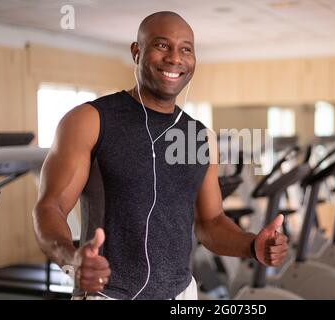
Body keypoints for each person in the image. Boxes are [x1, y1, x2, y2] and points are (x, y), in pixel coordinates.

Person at [33, 11, 289, 300]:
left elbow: (211, 222)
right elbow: (49, 208)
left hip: (181, 294)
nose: (175, 58)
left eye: (186, 49)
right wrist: (71, 260)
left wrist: (252, 245)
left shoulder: (200, 137)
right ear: (136, 51)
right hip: (108, 295)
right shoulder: (89, 120)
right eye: (162, 45)